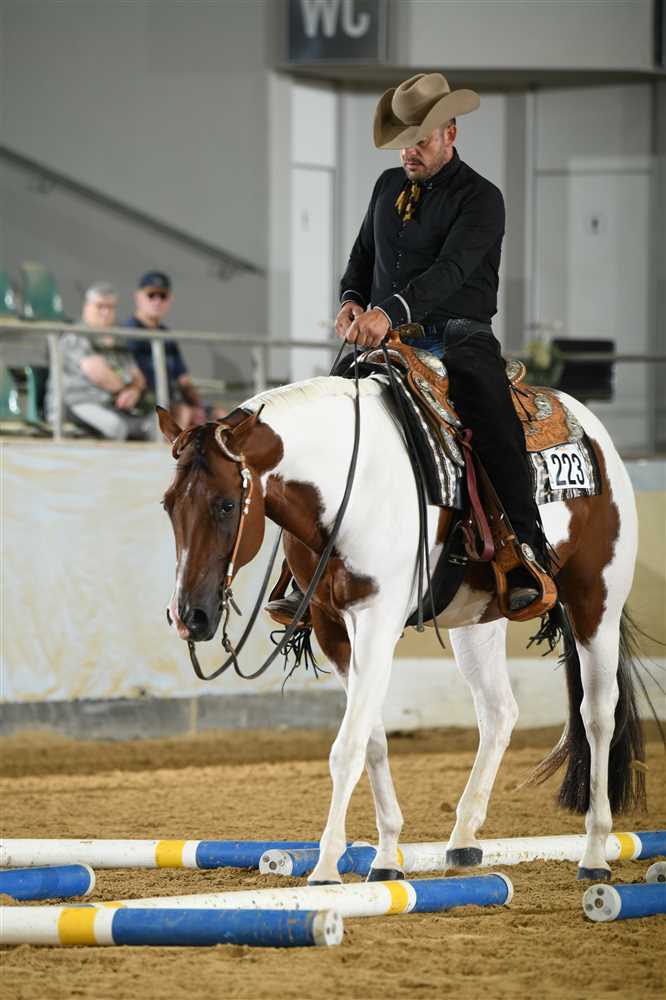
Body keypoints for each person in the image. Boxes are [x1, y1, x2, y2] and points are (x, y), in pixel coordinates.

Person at [267, 72, 554, 623]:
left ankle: (522, 550)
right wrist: (352, 300)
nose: (408, 152)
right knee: (325, 417)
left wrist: (389, 312)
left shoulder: (482, 198)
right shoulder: (386, 186)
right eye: (402, 141)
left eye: (419, 140)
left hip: (458, 336)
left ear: (451, 133)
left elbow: (451, 272)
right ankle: (303, 567)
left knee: (493, 421)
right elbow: (362, 255)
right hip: (384, 337)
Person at [45, 281, 153, 441]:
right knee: (115, 427)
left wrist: (134, 390)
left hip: (110, 403)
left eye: (110, 307)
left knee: (154, 425)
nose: (105, 312)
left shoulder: (116, 338)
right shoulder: (74, 335)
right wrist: (125, 390)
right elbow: (97, 372)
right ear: (87, 307)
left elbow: (136, 373)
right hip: (74, 403)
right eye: (100, 306)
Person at [125, 271, 206, 429]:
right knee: (183, 413)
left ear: (170, 300)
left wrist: (198, 407)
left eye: (163, 296)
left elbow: (184, 380)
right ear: (138, 297)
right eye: (151, 295)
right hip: (142, 405)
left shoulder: (166, 335)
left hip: (169, 402)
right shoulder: (126, 332)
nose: (157, 301)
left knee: (219, 415)